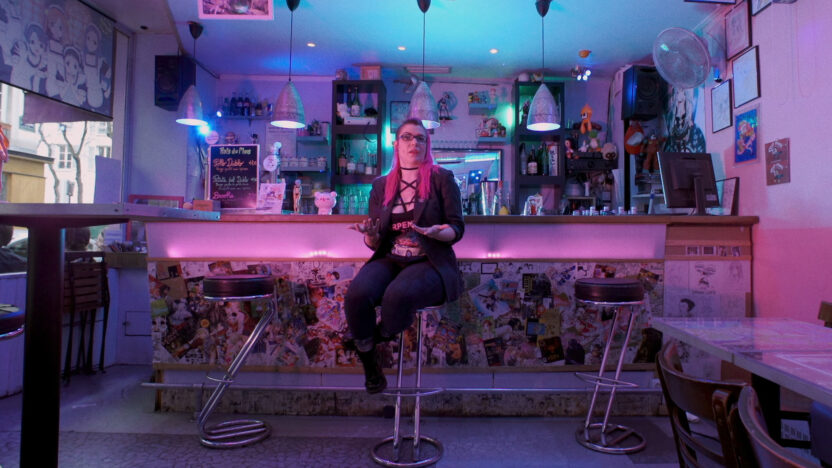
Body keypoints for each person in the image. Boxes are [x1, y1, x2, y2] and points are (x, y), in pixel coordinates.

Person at [344, 118, 464, 394]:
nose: (414, 143)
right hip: (390, 258)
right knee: (357, 296)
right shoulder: (381, 185)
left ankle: (376, 337)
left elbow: (457, 228)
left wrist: (437, 233)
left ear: (427, 144)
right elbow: (375, 242)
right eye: (407, 137)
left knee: (396, 296)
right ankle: (370, 365)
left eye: (420, 138)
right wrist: (370, 235)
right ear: (396, 144)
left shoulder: (442, 178)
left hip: (430, 261)